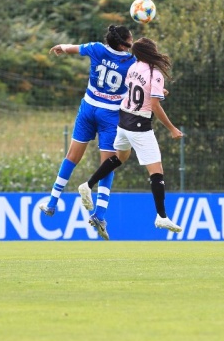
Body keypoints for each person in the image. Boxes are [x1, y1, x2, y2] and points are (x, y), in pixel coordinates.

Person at [76, 37, 184, 239]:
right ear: (150, 52)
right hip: (139, 126)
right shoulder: (155, 72)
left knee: (119, 158)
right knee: (156, 171)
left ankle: (87, 185)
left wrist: (160, 91)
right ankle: (161, 216)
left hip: (123, 120)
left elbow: (135, 89)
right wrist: (172, 128)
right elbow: (154, 106)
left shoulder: (134, 67)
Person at [39, 25, 136, 239]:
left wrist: (61, 47)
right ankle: (99, 215)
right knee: (107, 164)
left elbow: (72, 48)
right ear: (123, 43)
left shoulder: (96, 48)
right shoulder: (131, 63)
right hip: (110, 115)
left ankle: (52, 203)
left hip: (88, 109)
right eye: (130, 37)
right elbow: (142, 85)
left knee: (72, 157)